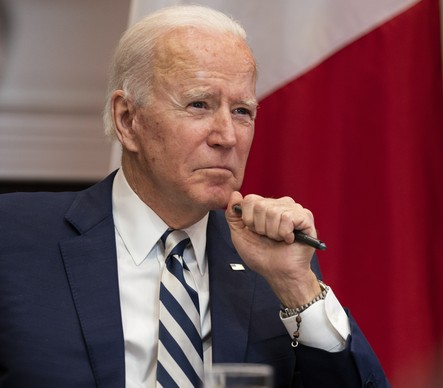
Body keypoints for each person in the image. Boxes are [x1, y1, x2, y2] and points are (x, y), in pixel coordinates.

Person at [0, 5, 389, 387]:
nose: (227, 137)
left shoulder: (273, 263)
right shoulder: (14, 239)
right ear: (127, 120)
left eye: (241, 111)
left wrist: (298, 287)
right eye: (199, 105)